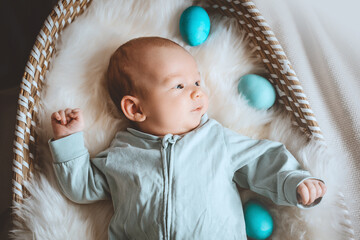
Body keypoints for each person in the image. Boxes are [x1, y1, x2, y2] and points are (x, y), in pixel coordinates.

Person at [49, 36, 326, 239]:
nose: (196, 92)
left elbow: (263, 159)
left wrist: (294, 181)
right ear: (135, 108)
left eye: (196, 82)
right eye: (179, 86)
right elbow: (82, 186)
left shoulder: (216, 140)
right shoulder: (122, 153)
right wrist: (69, 141)